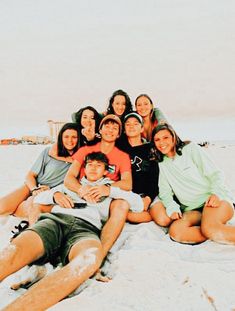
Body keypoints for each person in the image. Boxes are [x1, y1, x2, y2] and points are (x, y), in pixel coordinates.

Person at [0, 152, 138, 310]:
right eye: (90, 165)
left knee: (88, 260)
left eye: (98, 166)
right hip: (55, 221)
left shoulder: (112, 192)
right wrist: (55, 195)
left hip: (86, 230)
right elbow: (38, 200)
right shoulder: (70, 185)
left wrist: (109, 190)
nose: (93, 169)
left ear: (106, 171)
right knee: (14, 250)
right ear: (84, 169)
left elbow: (137, 204)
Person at [150, 123, 235, 245]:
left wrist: (217, 194)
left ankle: (212, 228)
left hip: (213, 201)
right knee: (176, 231)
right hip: (193, 210)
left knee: (211, 228)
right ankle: (211, 230)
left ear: (173, 137)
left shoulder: (190, 149)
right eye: (157, 140)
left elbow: (215, 174)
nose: (161, 142)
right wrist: (172, 208)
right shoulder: (162, 163)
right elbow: (165, 192)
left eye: (165, 137)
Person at [0, 123, 79, 221]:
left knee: (30, 207)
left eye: (74, 137)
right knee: (2, 208)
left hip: (49, 192)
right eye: (66, 136)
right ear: (61, 138)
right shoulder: (48, 151)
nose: (70, 141)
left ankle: (17, 213)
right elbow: (30, 175)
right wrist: (34, 189)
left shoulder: (79, 161)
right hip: (32, 186)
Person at [117, 112, 159, 223]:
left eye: (136, 124)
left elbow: (154, 177)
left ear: (141, 128)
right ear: (124, 129)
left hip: (147, 194)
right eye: (128, 124)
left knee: (162, 219)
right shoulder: (119, 148)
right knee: (126, 215)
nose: (131, 126)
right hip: (128, 196)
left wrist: (148, 198)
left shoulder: (150, 148)